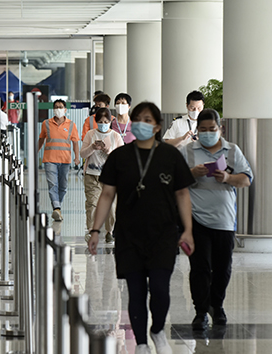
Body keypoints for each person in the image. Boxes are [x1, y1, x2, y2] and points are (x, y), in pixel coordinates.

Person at [87, 102, 196, 354]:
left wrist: (188, 229)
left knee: (159, 287)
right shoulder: (120, 156)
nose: (141, 124)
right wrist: (95, 230)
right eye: (137, 119)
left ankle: (157, 329)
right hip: (129, 235)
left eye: (147, 120)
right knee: (135, 291)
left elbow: (182, 194)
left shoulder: (170, 156)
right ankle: (142, 343)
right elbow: (106, 195)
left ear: (157, 126)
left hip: (164, 233)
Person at [180, 109, 253, 330]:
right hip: (196, 219)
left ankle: (217, 306)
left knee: (223, 267)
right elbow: (175, 181)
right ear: (197, 131)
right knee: (200, 267)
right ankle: (200, 312)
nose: (208, 133)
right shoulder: (187, 151)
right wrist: (192, 173)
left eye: (212, 129)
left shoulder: (232, 151)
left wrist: (228, 177)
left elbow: (247, 179)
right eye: (203, 130)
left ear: (219, 128)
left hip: (224, 220)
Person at [81, 107, 124, 243]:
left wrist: (108, 151)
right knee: (92, 204)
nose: (103, 124)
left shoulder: (115, 136)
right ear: (96, 121)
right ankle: (91, 230)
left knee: (111, 206)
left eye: (106, 121)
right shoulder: (90, 134)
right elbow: (82, 154)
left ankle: (109, 231)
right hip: (92, 175)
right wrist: (92, 147)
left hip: (111, 178)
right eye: (100, 121)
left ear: (110, 121)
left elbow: (122, 158)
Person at [37, 99, 81, 221]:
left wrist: (77, 157)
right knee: (53, 185)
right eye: (56, 107)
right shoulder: (46, 123)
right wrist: (35, 152)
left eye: (61, 107)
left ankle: (57, 208)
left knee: (63, 187)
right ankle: (56, 207)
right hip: (49, 159)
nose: (58, 109)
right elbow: (41, 139)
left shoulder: (71, 125)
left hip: (65, 160)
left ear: (65, 109)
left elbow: (75, 143)